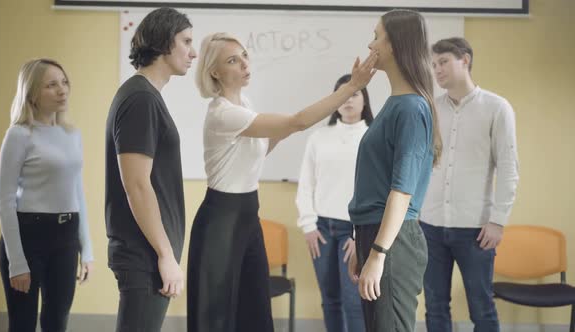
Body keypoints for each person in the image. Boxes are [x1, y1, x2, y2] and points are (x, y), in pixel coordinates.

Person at [187, 32, 377, 332]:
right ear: (214, 72)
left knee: (256, 309)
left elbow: (266, 146)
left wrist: (292, 125)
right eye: (232, 61)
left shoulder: (245, 105)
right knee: (218, 314)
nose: (244, 64)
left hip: (248, 215)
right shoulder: (224, 114)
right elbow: (296, 123)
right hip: (220, 220)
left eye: (244, 55)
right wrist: (352, 87)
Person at [347, 9, 443, 332]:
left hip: (393, 241)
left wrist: (378, 252)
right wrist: (363, 243)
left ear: (394, 45)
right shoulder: (395, 103)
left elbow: (401, 192)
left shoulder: (412, 108)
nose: (371, 43)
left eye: (377, 36)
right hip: (375, 234)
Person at [104, 7, 196, 331]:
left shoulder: (146, 96)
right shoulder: (140, 99)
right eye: (186, 41)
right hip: (144, 255)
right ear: (163, 42)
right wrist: (165, 255)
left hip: (148, 254)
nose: (193, 52)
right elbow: (137, 185)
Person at [420, 37, 519, 332]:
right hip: (430, 225)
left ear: (465, 60)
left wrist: (498, 221)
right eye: (434, 64)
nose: (437, 70)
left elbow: (509, 167)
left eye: (444, 62)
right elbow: (421, 165)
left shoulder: (497, 107)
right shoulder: (430, 108)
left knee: (482, 307)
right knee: (435, 307)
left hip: (476, 229)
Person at [0, 58, 94, 332]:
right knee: (23, 324)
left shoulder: (71, 134)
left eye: (64, 83)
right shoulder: (19, 135)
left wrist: (86, 248)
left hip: (65, 237)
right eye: (52, 85)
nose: (62, 90)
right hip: (27, 237)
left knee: (56, 323)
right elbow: (5, 201)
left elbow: (77, 192)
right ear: (32, 94)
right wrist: (17, 262)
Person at [295, 73, 373, 332]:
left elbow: (375, 191)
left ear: (365, 100)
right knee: (330, 300)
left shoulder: (372, 136)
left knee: (354, 301)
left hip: (354, 231)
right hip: (321, 229)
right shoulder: (319, 137)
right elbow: (306, 184)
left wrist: (359, 233)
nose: (348, 100)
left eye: (354, 94)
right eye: (342, 94)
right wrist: (308, 225)